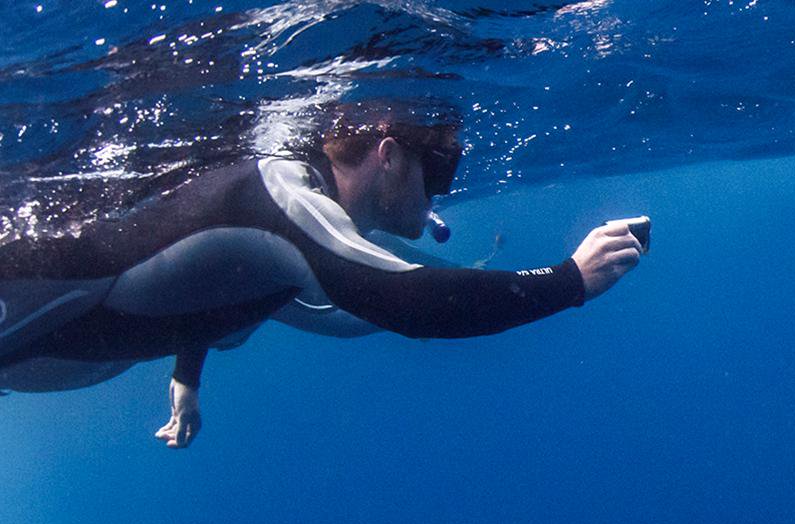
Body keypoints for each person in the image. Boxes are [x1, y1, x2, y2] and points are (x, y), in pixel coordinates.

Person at [0, 104, 644, 447]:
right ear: (388, 156)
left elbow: (202, 269)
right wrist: (569, 281)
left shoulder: (294, 216)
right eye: (440, 171)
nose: (441, 192)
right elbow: (408, 302)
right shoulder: (287, 199)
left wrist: (186, 375)